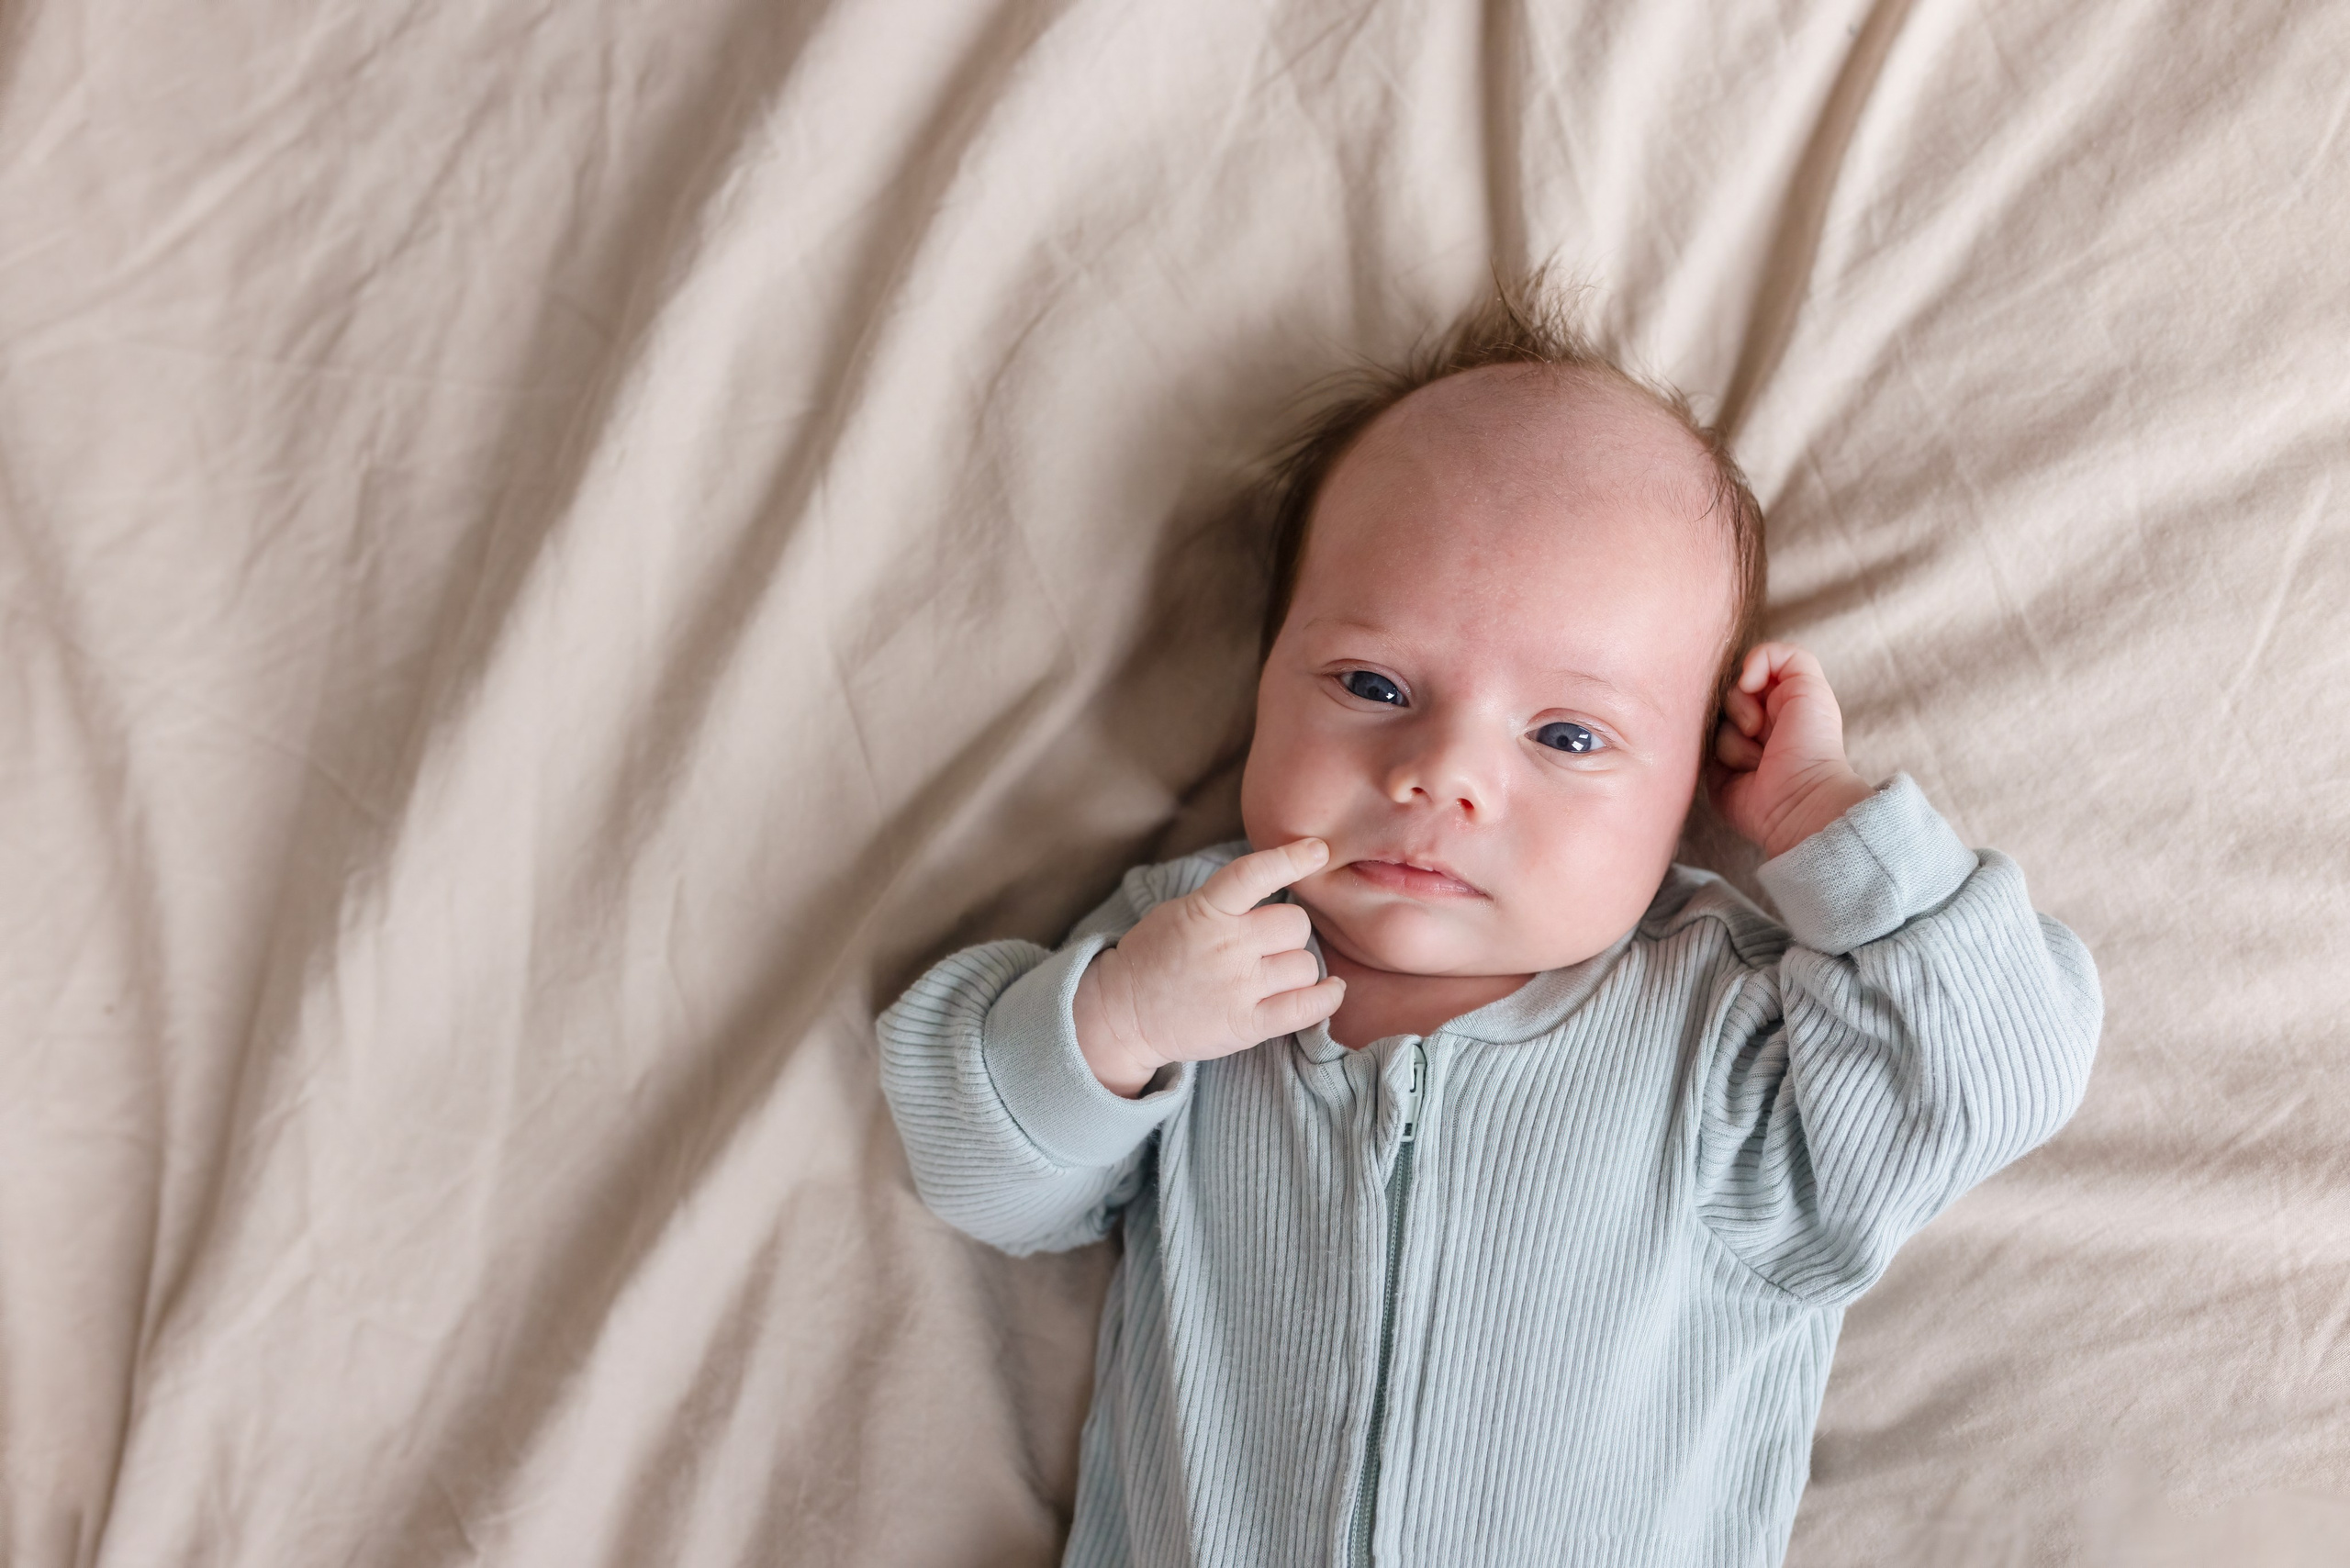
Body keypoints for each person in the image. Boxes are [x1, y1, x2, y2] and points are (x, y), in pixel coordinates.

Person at [876, 283, 2102, 1567]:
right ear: (1266, 675)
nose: (1440, 772)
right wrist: (1113, 1021)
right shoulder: (1197, 947)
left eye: (1567, 736)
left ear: (1691, 784)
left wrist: (1824, 823)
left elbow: (1987, 1075)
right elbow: (973, 1165)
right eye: (1373, 684)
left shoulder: (1721, 1039)